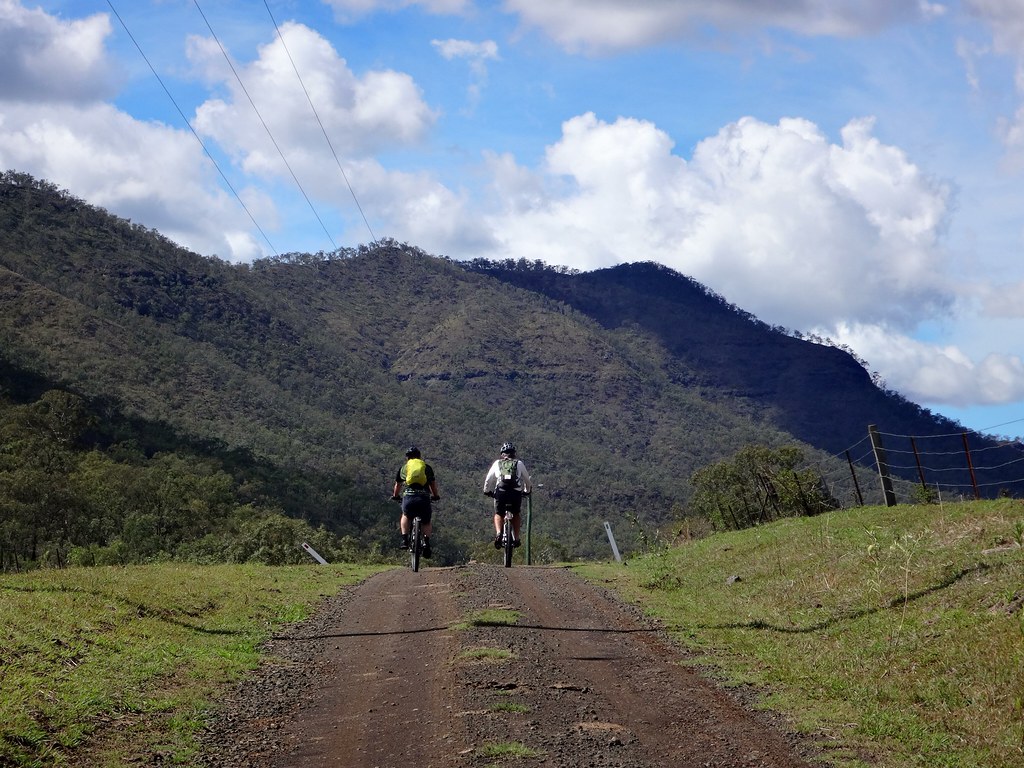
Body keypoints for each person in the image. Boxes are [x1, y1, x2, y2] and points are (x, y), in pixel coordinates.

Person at [392, 446, 440, 558]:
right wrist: (435, 496)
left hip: (409, 498)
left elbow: (398, 485)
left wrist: (395, 496)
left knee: (406, 515)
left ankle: (404, 539)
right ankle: (426, 543)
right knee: (426, 521)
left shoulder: (404, 468)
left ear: (407, 458)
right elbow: (432, 485)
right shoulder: (426, 468)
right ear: (419, 457)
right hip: (424, 498)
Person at [482, 442, 532, 549]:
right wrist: (526, 491)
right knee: (516, 514)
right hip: (515, 493)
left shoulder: (497, 463)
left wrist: (487, 491)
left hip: (501, 492)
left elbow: (488, 479)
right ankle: (516, 538)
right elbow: (527, 480)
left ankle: (499, 533)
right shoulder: (519, 463)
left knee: (499, 514)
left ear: (502, 454)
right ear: (514, 454)